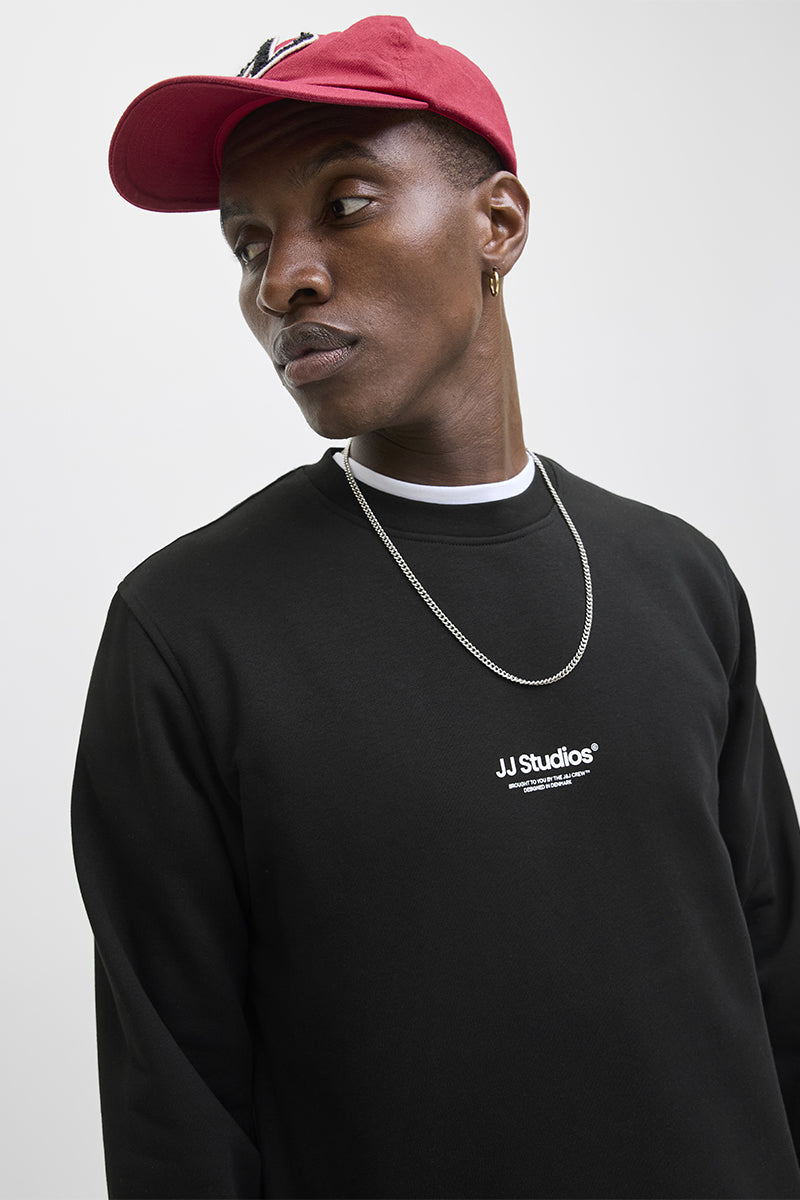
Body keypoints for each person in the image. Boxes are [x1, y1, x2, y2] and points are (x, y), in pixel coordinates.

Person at [72, 15, 800, 1200]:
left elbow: (776, 981)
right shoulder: (184, 634)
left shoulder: (679, 578)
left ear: (496, 223)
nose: (282, 279)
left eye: (345, 204)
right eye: (248, 243)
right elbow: (177, 1110)